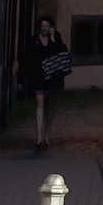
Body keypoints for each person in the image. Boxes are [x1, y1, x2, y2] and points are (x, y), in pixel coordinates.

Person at [24, 14, 70, 153]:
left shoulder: (55, 38)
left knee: (50, 107)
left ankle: (47, 135)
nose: (45, 28)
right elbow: (29, 57)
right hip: (38, 77)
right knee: (40, 103)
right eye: (43, 26)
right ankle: (39, 136)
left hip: (52, 77)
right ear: (40, 27)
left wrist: (54, 39)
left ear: (50, 27)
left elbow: (62, 52)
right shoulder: (34, 40)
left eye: (47, 26)